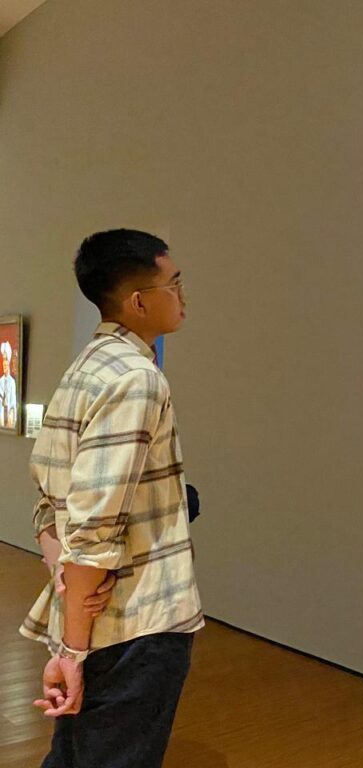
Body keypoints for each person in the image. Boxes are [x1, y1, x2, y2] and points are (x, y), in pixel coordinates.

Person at [22, 229, 203, 768]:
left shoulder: (85, 368)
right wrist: (72, 651)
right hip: (136, 623)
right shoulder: (136, 379)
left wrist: (63, 590)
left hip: (98, 616)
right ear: (139, 302)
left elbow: (51, 503)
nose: (183, 296)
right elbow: (94, 527)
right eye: (174, 284)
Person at [0, 340, 17, 428]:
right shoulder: (1, 381)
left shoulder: (12, 382)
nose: (4, 368)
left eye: (6, 366)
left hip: (9, 411)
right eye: (3, 366)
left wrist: (11, 414)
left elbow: (13, 400)